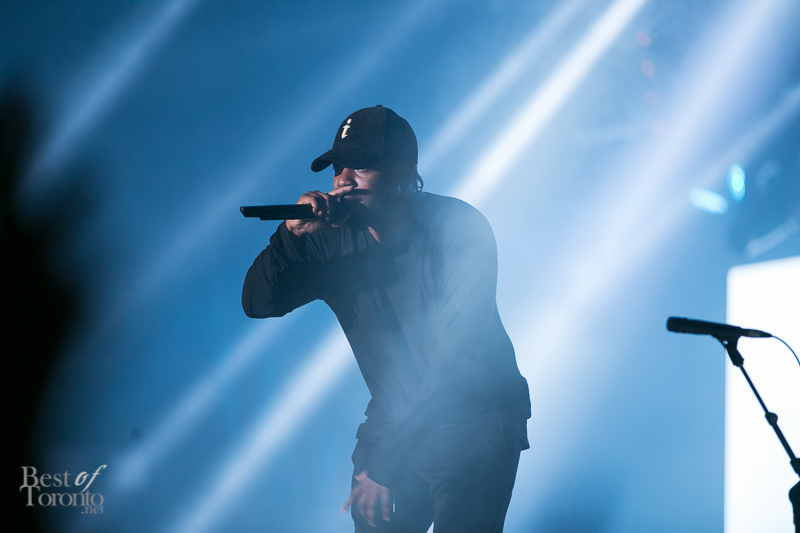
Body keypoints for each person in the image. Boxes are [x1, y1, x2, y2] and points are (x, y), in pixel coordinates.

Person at [242, 105, 531, 532]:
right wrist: (289, 238)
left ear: (403, 173)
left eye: (359, 165)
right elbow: (257, 303)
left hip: (477, 419)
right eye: (337, 167)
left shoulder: (457, 227)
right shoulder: (328, 243)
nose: (342, 180)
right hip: (394, 420)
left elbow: (455, 357)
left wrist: (385, 460)